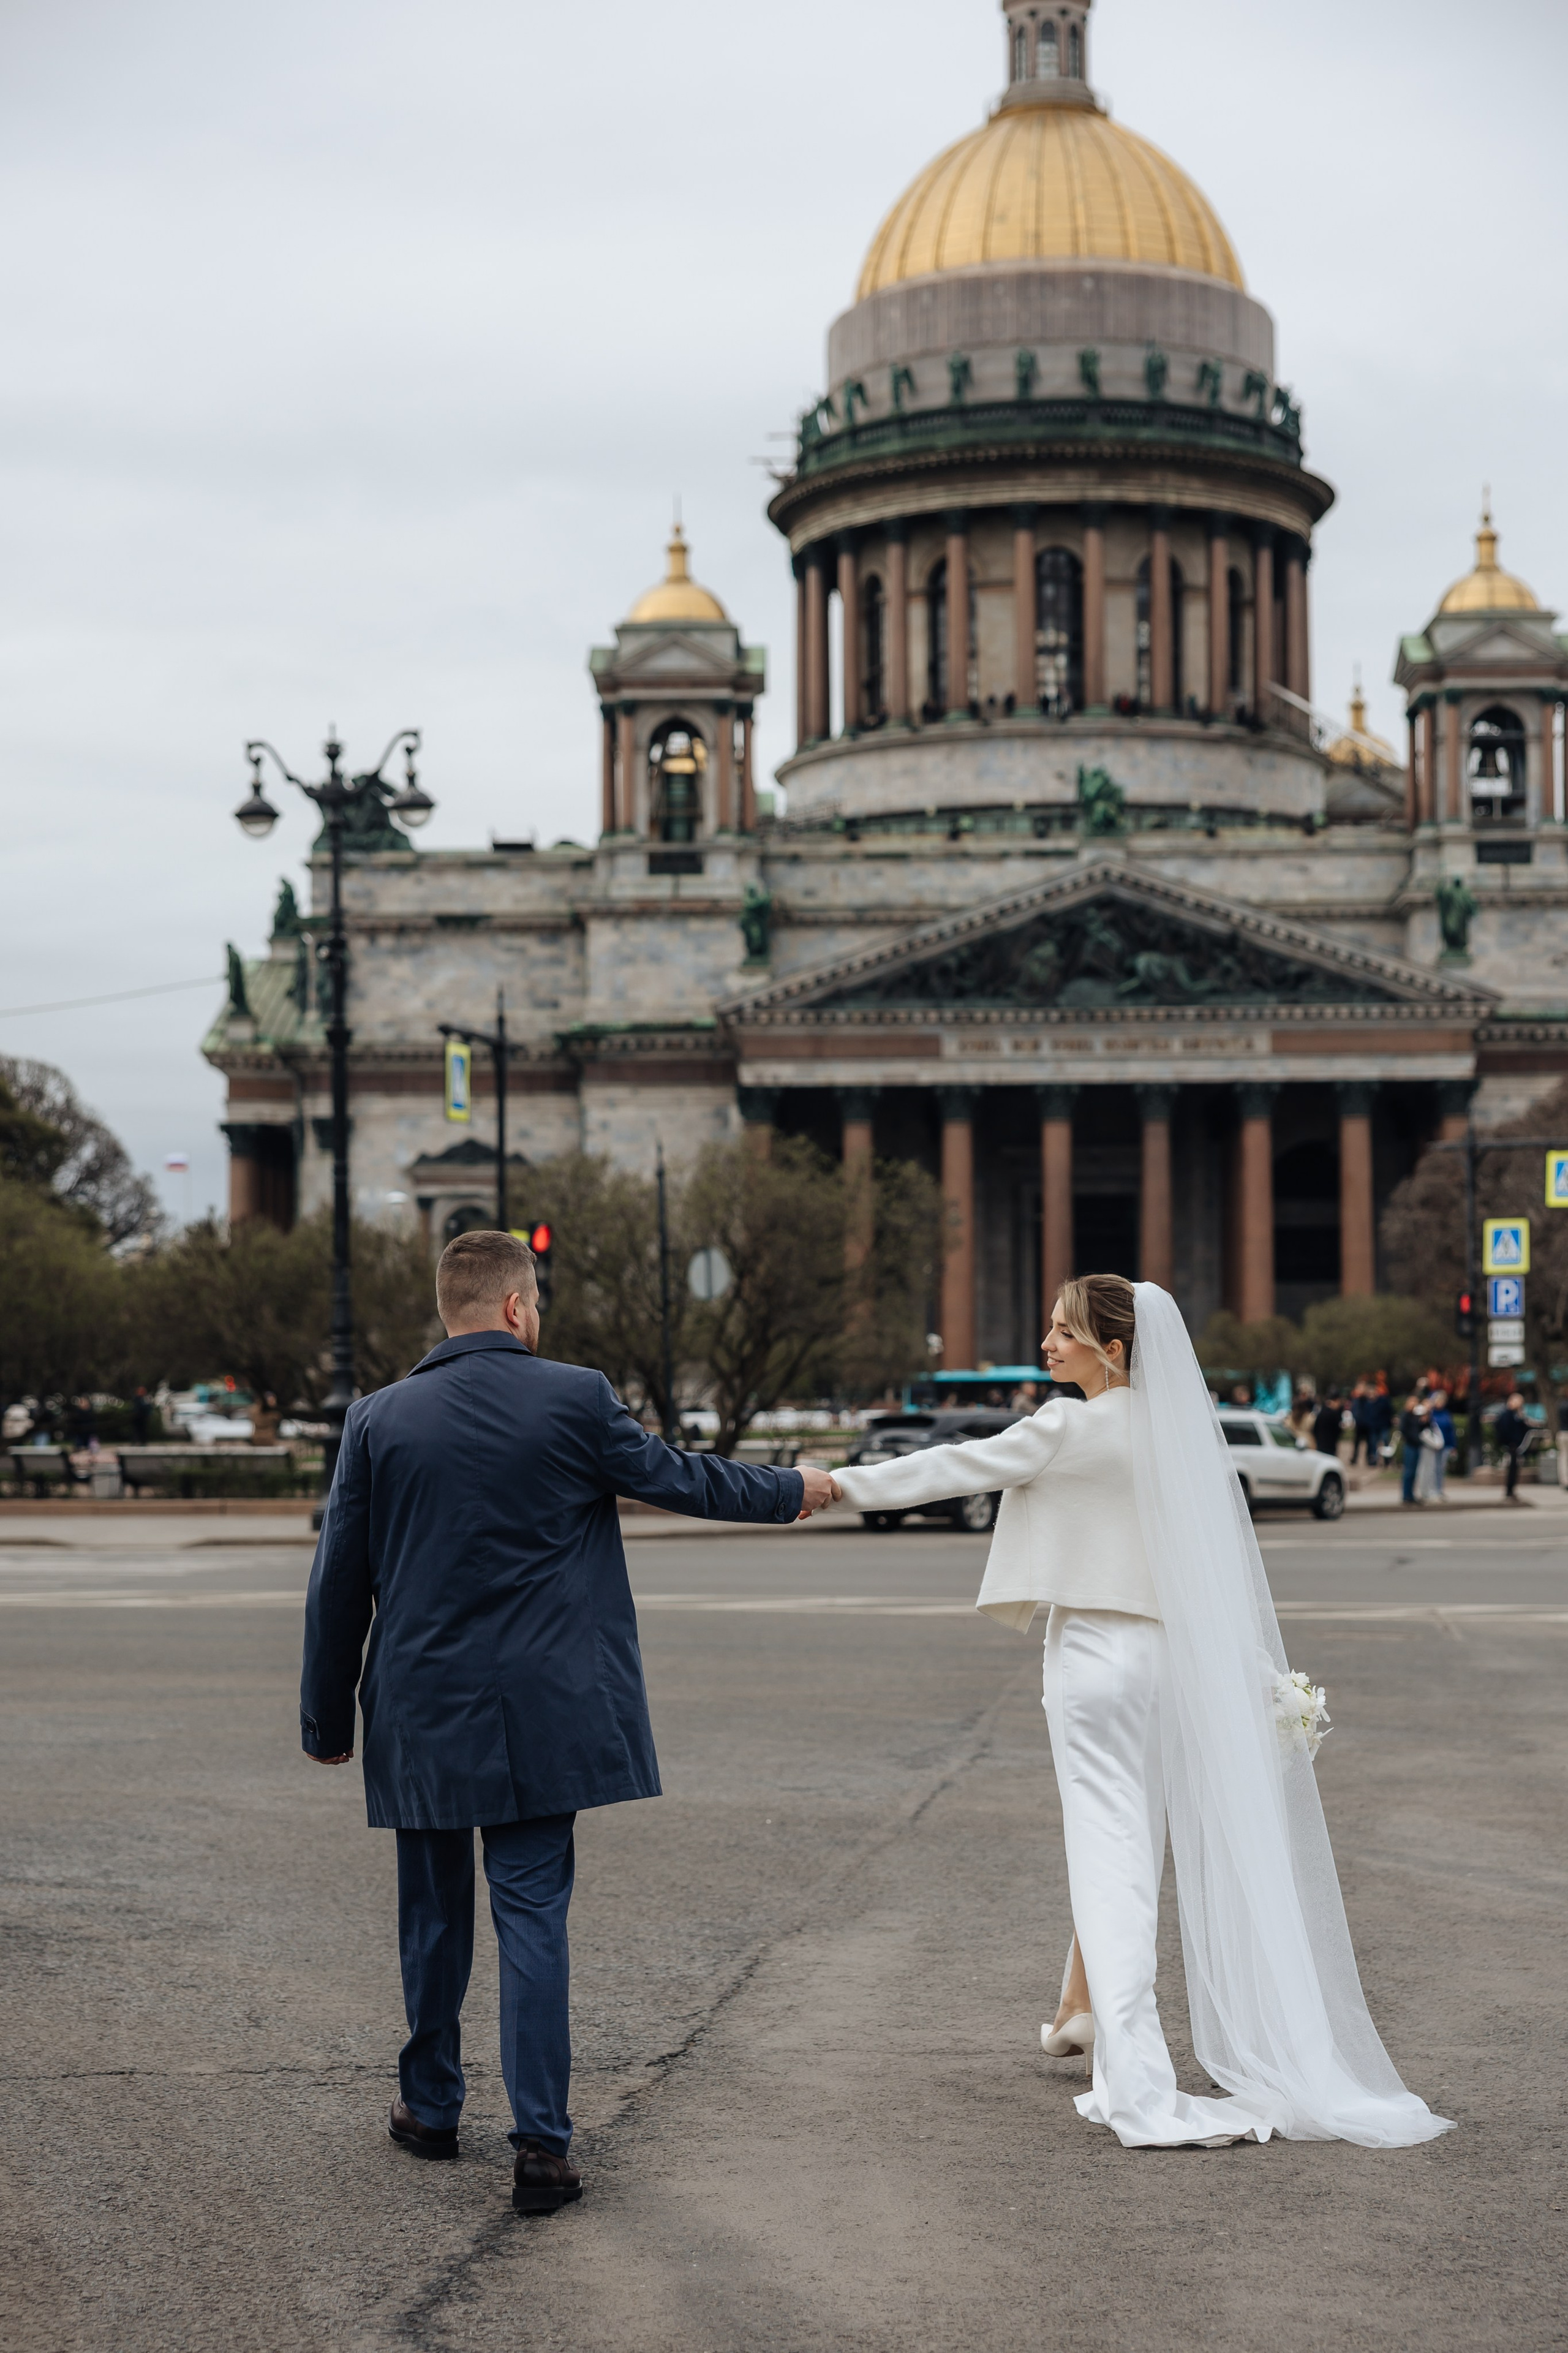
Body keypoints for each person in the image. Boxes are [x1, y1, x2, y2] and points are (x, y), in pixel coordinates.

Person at [824, 1276, 1450, 2151]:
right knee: (1131, 1838)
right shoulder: (1180, 1441)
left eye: (1064, 1332)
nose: (1048, 1345)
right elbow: (1214, 1573)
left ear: (1112, 1351)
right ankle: (1080, 2013)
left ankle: (1138, 2077)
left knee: (1108, 1846)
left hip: (1093, 1661)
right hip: (1167, 1664)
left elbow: (946, 1468)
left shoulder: (1068, 1426)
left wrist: (833, 1485)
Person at [300, 1228, 832, 2214]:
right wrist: (791, 1490)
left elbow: (340, 1584)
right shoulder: (575, 1396)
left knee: (432, 1917)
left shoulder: (377, 1419)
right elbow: (684, 1478)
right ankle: (542, 2144)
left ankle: (431, 2107)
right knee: (533, 1916)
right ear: (515, 1307)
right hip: (547, 1710)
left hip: (421, 1711)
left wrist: (326, 1716)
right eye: (535, 1300)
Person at [1496, 1391, 1531, 1505]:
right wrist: (1508, 1443)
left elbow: (1524, 1429)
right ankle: (1509, 1491)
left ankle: (1512, 1490)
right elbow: (1504, 1430)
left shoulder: (1517, 1415)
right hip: (1511, 1445)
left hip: (1518, 1445)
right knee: (1511, 1469)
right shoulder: (1507, 1414)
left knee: (1515, 1469)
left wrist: (1522, 1417)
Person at [1399, 1394, 1428, 1506]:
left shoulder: (1416, 1416)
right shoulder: (1406, 1415)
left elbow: (1422, 1429)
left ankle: (1411, 1494)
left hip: (1416, 1445)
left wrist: (1425, 1421)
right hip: (1410, 1445)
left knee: (1414, 1472)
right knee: (1409, 1472)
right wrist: (1414, 1439)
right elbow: (1404, 1431)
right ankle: (1406, 1495)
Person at [1312, 1392, 1344, 1459]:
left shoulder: (1321, 1412)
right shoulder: (1334, 1414)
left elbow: (1315, 1428)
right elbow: (1338, 1430)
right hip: (1330, 1445)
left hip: (1320, 1443)